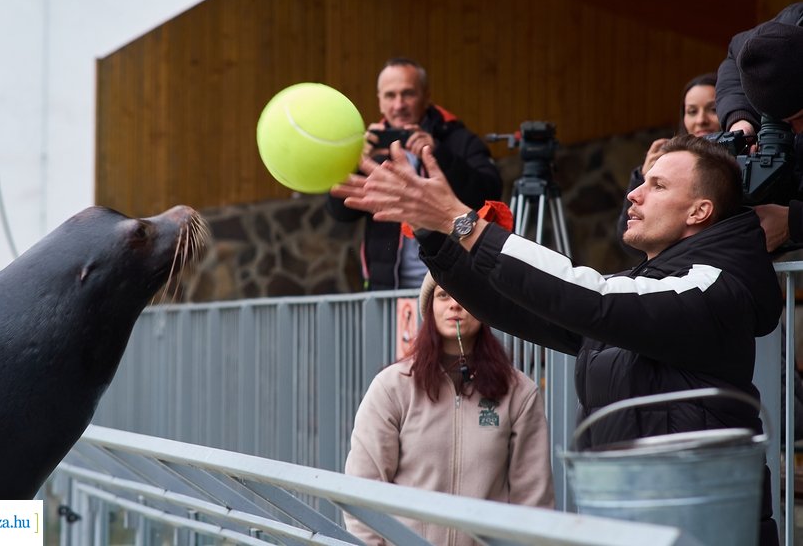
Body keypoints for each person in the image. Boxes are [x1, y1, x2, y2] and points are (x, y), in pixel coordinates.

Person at [330, 134, 783, 545]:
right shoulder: (648, 286)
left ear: (699, 211)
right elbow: (521, 307)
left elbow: (590, 296)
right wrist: (436, 235)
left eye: (658, 186)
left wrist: (463, 222)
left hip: (702, 529)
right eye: (642, 182)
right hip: (630, 521)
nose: (634, 193)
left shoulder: (714, 286)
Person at [343, 272, 554, 545]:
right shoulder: (392, 387)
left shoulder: (519, 392)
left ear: (482, 306)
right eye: (443, 295)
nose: (455, 304)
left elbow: (533, 500)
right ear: (429, 307)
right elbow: (363, 487)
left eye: (465, 293)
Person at [326, 57, 502, 291]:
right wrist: (358, 162)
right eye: (390, 95)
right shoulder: (368, 149)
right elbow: (338, 213)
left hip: (452, 290)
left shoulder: (457, 140)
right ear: (379, 101)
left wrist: (439, 154)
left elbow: (490, 192)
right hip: (389, 291)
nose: (399, 105)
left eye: (408, 94)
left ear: (426, 96)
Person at [715, 3, 803, 252]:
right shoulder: (778, 35)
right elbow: (736, 56)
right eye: (784, 121)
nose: (795, 130)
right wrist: (740, 120)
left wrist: (794, 221)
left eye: (799, 117)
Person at [617, 73, 720, 256]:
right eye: (692, 111)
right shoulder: (666, 159)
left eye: (713, 109)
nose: (701, 120)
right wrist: (643, 177)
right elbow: (629, 242)